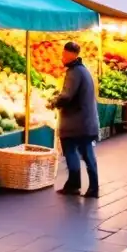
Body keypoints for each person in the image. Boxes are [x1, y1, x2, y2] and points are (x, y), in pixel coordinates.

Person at [51, 41, 100, 198]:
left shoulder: (74, 72)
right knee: (87, 154)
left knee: (72, 151)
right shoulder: (82, 70)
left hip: (76, 124)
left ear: (72, 55)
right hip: (86, 122)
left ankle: (76, 185)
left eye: (64, 54)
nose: (62, 57)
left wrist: (53, 102)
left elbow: (67, 96)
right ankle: (90, 186)